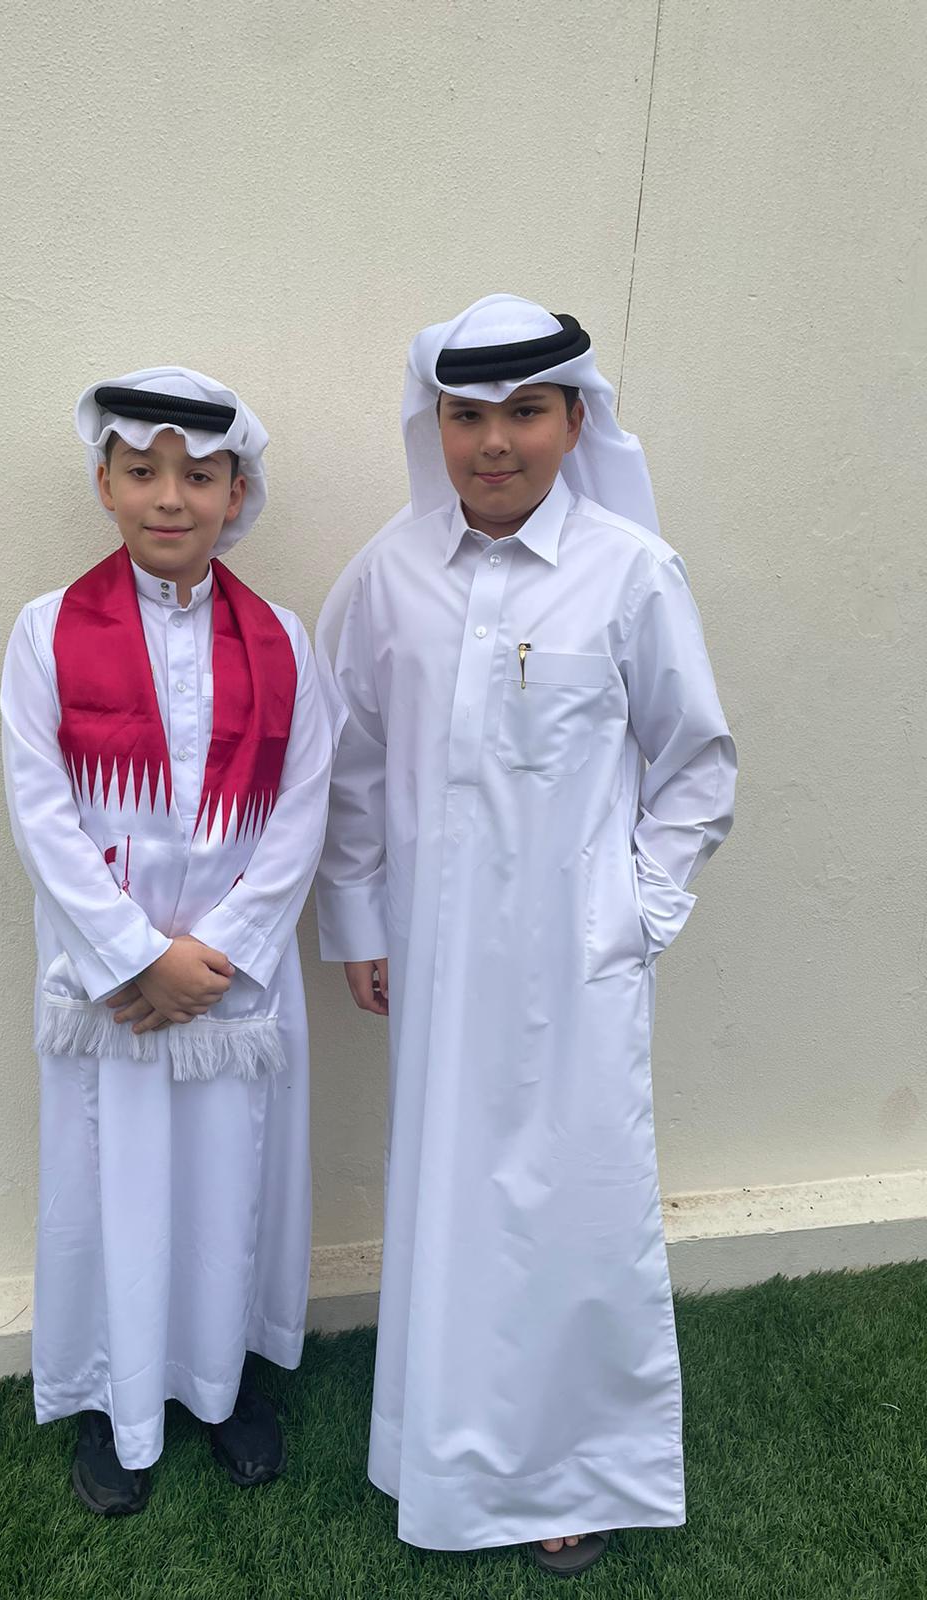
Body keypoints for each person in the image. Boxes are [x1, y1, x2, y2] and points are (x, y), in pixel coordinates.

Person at [315, 296, 737, 1575]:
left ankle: (572, 1470)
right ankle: (438, 1454)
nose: (494, 441)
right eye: (467, 415)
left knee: (572, 1205)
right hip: (436, 962)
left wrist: (635, 912)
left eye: (526, 412)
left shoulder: (631, 570)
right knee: (451, 1199)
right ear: (435, 424)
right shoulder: (387, 574)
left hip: (577, 965)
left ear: (575, 421)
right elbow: (348, 761)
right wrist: (360, 916)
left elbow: (698, 766)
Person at [1, 367, 335, 1515]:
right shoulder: (46, 632)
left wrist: (217, 954)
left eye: (199, 475)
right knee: (113, 1189)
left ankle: (220, 1381)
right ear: (104, 482)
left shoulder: (285, 640)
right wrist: (138, 956)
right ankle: (116, 1399)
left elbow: (302, 813)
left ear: (238, 491)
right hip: (111, 990)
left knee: (227, 1186)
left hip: (232, 989)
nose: (170, 496)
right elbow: (41, 815)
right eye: (142, 470)